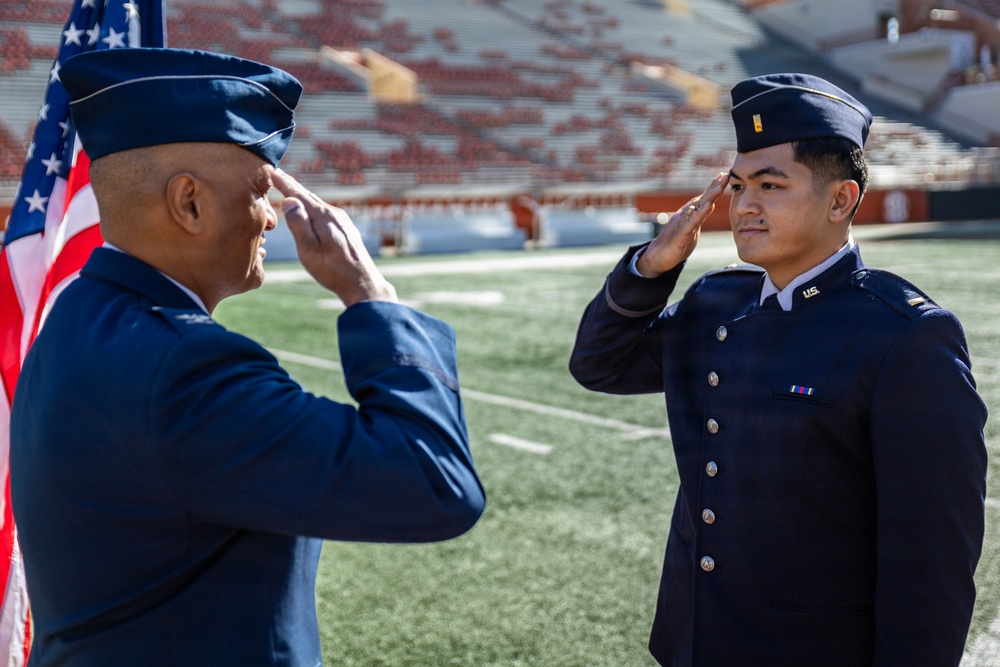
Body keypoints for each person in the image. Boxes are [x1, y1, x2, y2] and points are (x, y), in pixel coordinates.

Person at [10, 48, 485, 666]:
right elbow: (434, 484)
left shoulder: (76, 316)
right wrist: (371, 296)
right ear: (190, 204)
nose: (271, 219)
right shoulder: (185, 368)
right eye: (263, 190)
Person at [570, 73, 988, 666]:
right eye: (737, 187)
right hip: (695, 642)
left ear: (841, 199)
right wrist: (649, 267)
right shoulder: (715, 303)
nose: (745, 206)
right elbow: (597, 365)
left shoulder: (905, 335)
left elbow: (930, 563)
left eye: (770, 185)